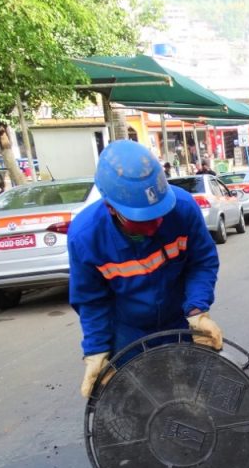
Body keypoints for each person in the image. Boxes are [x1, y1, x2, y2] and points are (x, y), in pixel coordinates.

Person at [68, 139, 223, 399]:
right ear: (111, 208)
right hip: (129, 331)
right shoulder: (86, 237)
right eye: (144, 219)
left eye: (160, 213)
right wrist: (96, 351)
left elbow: (202, 262)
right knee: (138, 404)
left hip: (179, 320)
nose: (156, 224)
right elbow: (91, 301)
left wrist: (198, 311)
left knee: (194, 397)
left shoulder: (183, 210)